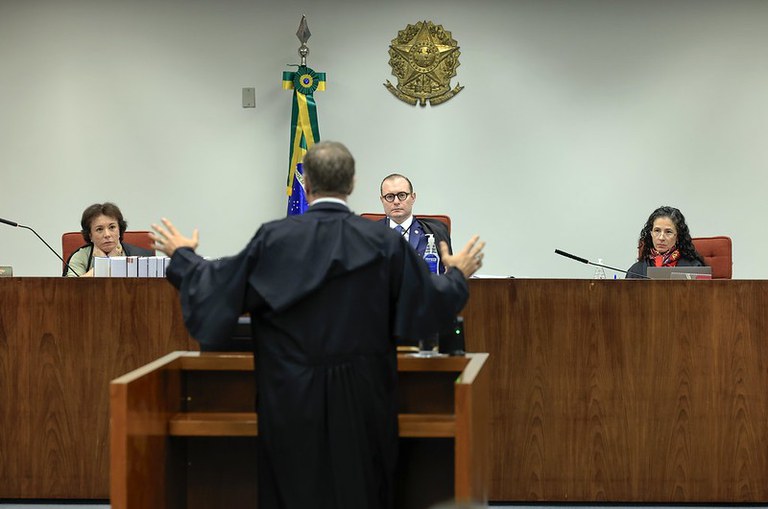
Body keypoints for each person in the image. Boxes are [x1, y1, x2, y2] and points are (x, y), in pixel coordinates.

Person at [150, 141, 485, 509]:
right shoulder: (382, 243)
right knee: (361, 490)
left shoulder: (274, 238)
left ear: (305, 184)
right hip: (363, 397)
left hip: (289, 397)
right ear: (353, 184)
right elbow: (428, 307)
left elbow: (218, 288)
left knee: (292, 491)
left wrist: (183, 257)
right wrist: (457, 275)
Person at [379, 173, 452, 273]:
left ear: (413, 198)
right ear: (382, 200)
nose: (396, 202)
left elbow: (447, 274)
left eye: (402, 195)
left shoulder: (435, 231)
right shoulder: (370, 234)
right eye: (390, 196)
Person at [64, 202, 154, 277]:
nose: (107, 235)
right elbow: (72, 288)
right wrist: (102, 265)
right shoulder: (81, 256)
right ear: (90, 235)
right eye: (99, 229)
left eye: (112, 227)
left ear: (119, 230)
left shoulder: (142, 257)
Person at [626, 205, 705, 279]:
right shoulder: (635, 271)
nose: (661, 238)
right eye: (657, 231)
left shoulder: (695, 268)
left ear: (678, 236)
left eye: (668, 232)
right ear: (651, 234)